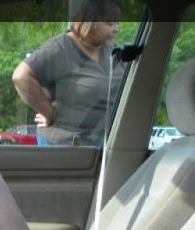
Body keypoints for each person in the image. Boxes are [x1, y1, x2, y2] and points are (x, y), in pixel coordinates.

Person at [12, 0, 124, 146]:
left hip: (104, 147)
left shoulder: (111, 50)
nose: (116, 29)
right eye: (110, 23)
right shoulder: (60, 49)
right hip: (66, 150)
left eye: (117, 23)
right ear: (89, 21)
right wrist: (49, 113)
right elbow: (21, 77)